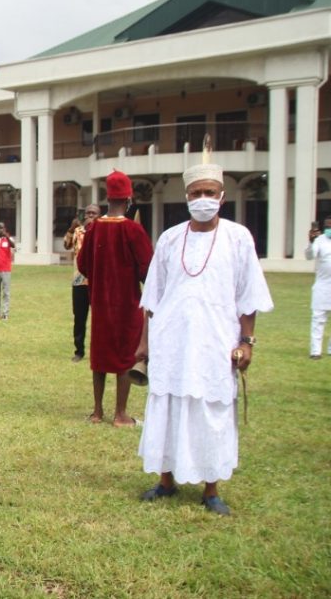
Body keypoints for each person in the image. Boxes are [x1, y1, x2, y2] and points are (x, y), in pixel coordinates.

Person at [136, 160, 272, 516]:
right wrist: (145, 344)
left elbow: (249, 296)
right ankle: (166, 481)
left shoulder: (238, 237)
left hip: (215, 341)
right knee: (168, 405)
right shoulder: (169, 238)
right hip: (172, 341)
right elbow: (152, 298)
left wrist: (247, 341)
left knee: (212, 410)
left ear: (221, 196)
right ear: (186, 197)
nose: (203, 199)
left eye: (209, 193)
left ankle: (211, 489)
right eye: (196, 193)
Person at [77, 171, 153, 426]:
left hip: (99, 303)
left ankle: (97, 412)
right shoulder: (133, 230)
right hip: (127, 304)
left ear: (107, 198)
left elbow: (82, 264)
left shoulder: (94, 228)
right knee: (125, 355)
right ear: (128, 198)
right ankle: (120, 414)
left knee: (99, 355)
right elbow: (148, 269)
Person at [64, 205, 100, 362]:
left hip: (98, 282)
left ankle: (98, 351)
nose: (90, 215)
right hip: (79, 281)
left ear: (100, 215)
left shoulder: (103, 231)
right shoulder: (78, 231)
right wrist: (71, 229)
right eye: (88, 213)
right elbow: (66, 245)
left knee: (99, 319)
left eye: (94, 213)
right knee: (79, 318)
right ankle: (79, 351)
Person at [305, 217, 331, 359]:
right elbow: (309, 256)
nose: (329, 229)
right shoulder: (319, 240)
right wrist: (311, 242)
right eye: (327, 226)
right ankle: (316, 351)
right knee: (318, 319)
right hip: (322, 286)